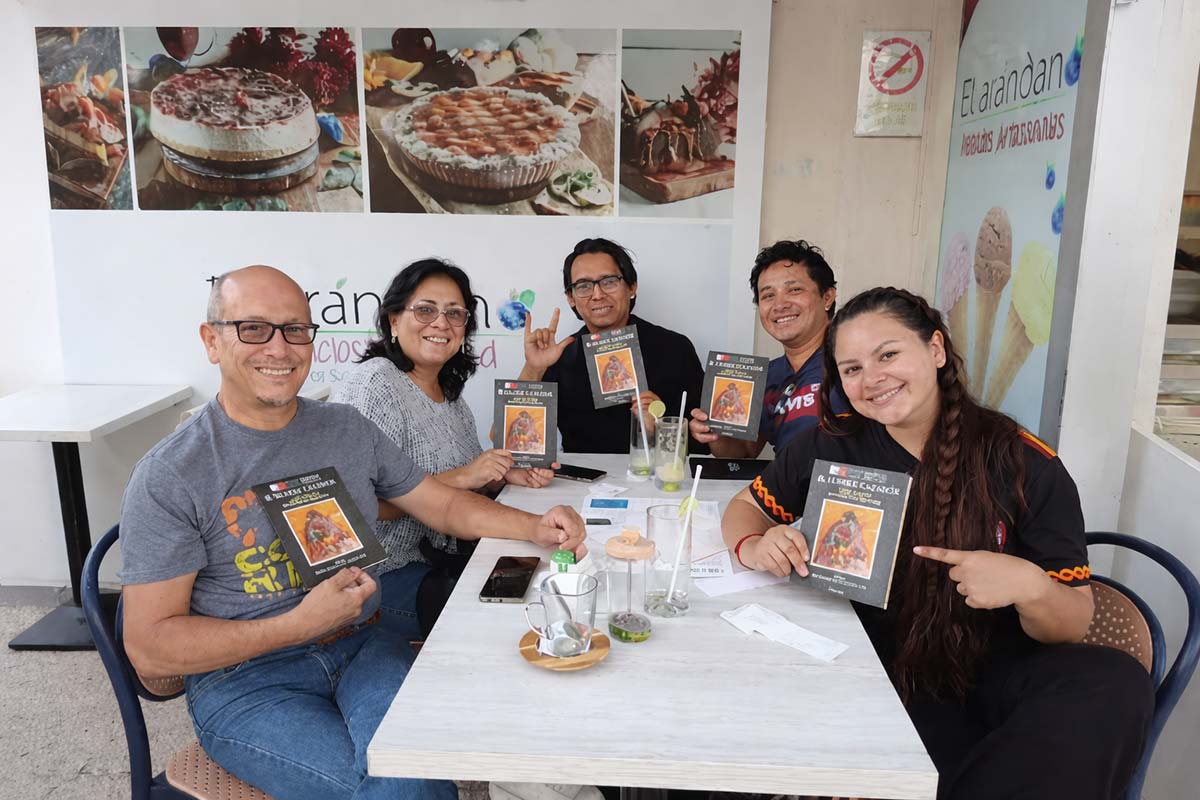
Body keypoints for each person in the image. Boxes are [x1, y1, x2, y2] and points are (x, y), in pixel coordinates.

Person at [119, 266, 585, 800]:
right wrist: (295, 625)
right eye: (254, 328)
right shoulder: (173, 472)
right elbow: (150, 650)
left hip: (365, 643)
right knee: (403, 791)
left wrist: (537, 526)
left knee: (420, 763)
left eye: (295, 329)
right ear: (212, 341)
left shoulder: (343, 428)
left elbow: (443, 505)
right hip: (247, 682)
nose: (280, 347)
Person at [720, 287, 1153, 799]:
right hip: (871, 660)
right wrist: (757, 543)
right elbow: (744, 508)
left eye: (888, 354)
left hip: (990, 664)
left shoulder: (1024, 463)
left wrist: (1029, 586)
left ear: (936, 350)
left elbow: (1073, 621)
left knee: (1114, 679)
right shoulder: (829, 444)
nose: (872, 378)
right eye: (852, 369)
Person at [333, 259, 557, 640]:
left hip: (452, 556)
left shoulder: (448, 391)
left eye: (455, 313)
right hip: (383, 577)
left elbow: (464, 484)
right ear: (393, 320)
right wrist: (466, 476)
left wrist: (499, 476)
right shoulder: (375, 384)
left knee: (550, 581)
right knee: (518, 618)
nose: (441, 323)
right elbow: (353, 512)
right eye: (425, 310)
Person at [520, 237, 706, 454]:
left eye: (609, 281)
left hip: (659, 479)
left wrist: (661, 426)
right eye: (583, 286)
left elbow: (706, 439)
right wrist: (534, 367)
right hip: (579, 483)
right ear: (571, 298)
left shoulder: (675, 348)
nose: (597, 295)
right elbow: (510, 441)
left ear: (632, 286)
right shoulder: (559, 355)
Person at [690, 239, 843, 457]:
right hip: (785, 488)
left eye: (795, 290)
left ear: (827, 297)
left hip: (844, 489)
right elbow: (743, 453)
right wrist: (717, 431)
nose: (780, 305)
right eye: (768, 295)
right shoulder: (768, 377)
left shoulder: (853, 363)